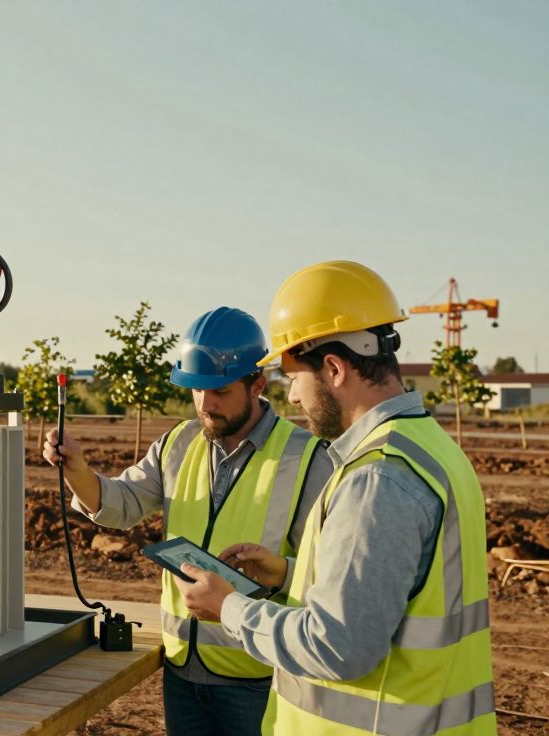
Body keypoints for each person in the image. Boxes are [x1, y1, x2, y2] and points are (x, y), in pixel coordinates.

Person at [178, 261, 495, 735]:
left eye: (293, 379)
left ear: (333, 368)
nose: (292, 400)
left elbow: (338, 647)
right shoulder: (431, 449)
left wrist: (229, 608)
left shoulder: (379, 478)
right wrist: (288, 575)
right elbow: (394, 594)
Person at [44, 306, 331, 736]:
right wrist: (79, 471)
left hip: (259, 678)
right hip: (182, 671)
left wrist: (283, 574)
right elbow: (122, 504)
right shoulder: (178, 443)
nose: (205, 405)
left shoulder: (308, 458)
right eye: (196, 390)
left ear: (257, 383)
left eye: (220, 391)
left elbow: (328, 575)